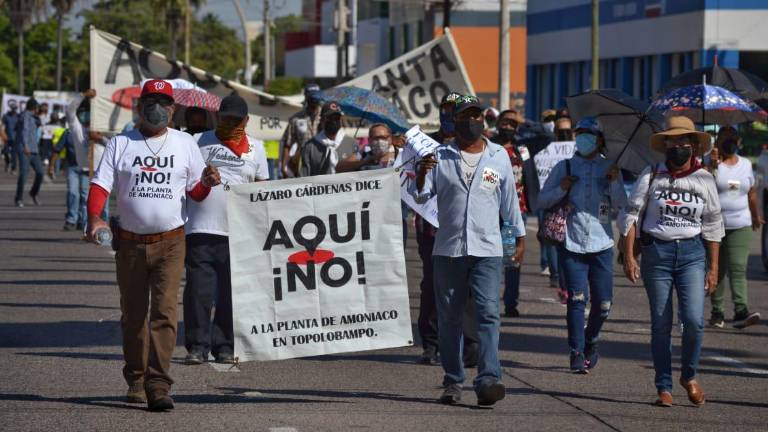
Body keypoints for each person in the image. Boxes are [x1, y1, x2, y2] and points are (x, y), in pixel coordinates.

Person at [86, 79, 221, 412]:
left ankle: (158, 384)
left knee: (165, 314)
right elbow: (101, 186)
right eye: (150, 102)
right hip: (130, 244)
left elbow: (194, 192)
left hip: (171, 242)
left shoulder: (185, 144)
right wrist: (95, 219)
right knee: (133, 316)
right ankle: (135, 376)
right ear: (140, 107)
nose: (157, 108)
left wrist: (205, 183)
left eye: (164, 102)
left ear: (174, 109)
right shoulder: (121, 144)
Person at [411, 95, 526, 406]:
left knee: (489, 313)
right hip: (448, 250)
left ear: (484, 121)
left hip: (487, 248)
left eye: (477, 116)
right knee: (450, 318)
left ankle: (489, 379)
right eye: (466, 116)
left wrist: (520, 236)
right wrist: (422, 174)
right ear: (456, 121)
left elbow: (509, 202)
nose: (472, 121)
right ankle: (453, 380)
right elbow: (420, 198)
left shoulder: (498, 155)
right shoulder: (439, 155)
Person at [620, 115, 723, 407]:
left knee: (693, 321)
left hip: (692, 254)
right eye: (672, 141)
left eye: (684, 141)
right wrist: (629, 255)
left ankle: (688, 376)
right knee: (661, 324)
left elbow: (714, 225)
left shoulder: (705, 178)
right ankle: (663, 385)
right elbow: (631, 217)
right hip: (658, 255)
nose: (678, 146)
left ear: (693, 145)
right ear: (664, 144)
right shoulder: (651, 175)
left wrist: (713, 267)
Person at [184, 94, 269, 365]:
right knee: (199, 291)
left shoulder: (257, 148)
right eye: (225, 118)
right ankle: (197, 346)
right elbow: (186, 182)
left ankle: (224, 346)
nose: (229, 123)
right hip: (201, 229)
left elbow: (262, 189)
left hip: (239, 233)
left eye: (235, 120)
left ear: (246, 120)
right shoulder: (197, 142)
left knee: (231, 295)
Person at [538, 117, 627, 373]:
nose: (583, 138)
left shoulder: (610, 167)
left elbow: (622, 205)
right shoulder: (564, 166)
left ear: (600, 139)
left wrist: (613, 180)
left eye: (589, 134)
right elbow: (542, 200)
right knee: (577, 300)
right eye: (580, 133)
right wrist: (561, 190)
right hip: (571, 242)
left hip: (601, 244)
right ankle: (576, 351)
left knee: (604, 304)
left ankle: (592, 339)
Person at [414, 91, 479, 367]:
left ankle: (470, 345)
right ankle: (430, 343)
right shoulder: (425, 143)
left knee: (469, 288)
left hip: (467, 228)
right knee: (432, 285)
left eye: (455, 110)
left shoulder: (476, 145)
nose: (449, 115)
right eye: (445, 109)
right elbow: (411, 178)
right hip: (432, 228)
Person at [707, 126, 762, 329]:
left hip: (741, 223)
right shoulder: (710, 162)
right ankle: (717, 312)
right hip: (715, 225)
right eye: (726, 138)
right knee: (717, 270)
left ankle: (741, 311)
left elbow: (752, 193)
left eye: (734, 139)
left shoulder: (746, 164)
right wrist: (712, 166)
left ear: (739, 142)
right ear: (718, 141)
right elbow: (702, 187)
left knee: (738, 268)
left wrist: (756, 216)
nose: (731, 142)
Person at [493, 109, 530, 318]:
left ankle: (510, 303)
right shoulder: (489, 147)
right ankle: (487, 301)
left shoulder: (522, 149)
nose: (507, 126)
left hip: (516, 213)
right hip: (492, 211)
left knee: (512, 259)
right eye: (504, 122)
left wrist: (524, 121)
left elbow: (544, 135)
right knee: (491, 259)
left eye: (512, 124)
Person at [280, 83, 322, 178]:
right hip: (302, 164)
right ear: (306, 97)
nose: (314, 99)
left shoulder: (326, 116)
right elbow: (287, 144)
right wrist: (283, 167)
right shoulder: (296, 119)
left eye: (316, 96)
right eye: (312, 97)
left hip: (322, 162)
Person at [298, 101, 345, 176]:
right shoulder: (309, 147)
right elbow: (304, 180)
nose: (333, 120)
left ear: (340, 119)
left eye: (336, 117)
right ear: (322, 120)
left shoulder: (352, 143)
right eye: (329, 117)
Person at [14, 98, 44, 207]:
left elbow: (39, 124)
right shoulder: (25, 116)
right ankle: (18, 198)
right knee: (24, 175)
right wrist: (26, 146)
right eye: (37, 107)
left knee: (40, 173)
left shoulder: (33, 117)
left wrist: (38, 115)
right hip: (25, 149)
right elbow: (24, 131)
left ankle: (33, 193)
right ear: (33, 107)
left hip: (34, 150)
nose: (38, 109)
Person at [3, 100, 20, 173]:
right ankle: (7, 163)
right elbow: (2, 126)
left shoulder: (19, 116)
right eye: (13, 108)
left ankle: (13, 169)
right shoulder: (6, 116)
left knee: (14, 154)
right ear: (10, 108)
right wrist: (3, 135)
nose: (14, 109)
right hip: (7, 137)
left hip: (16, 138)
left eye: (15, 108)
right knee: (5, 152)